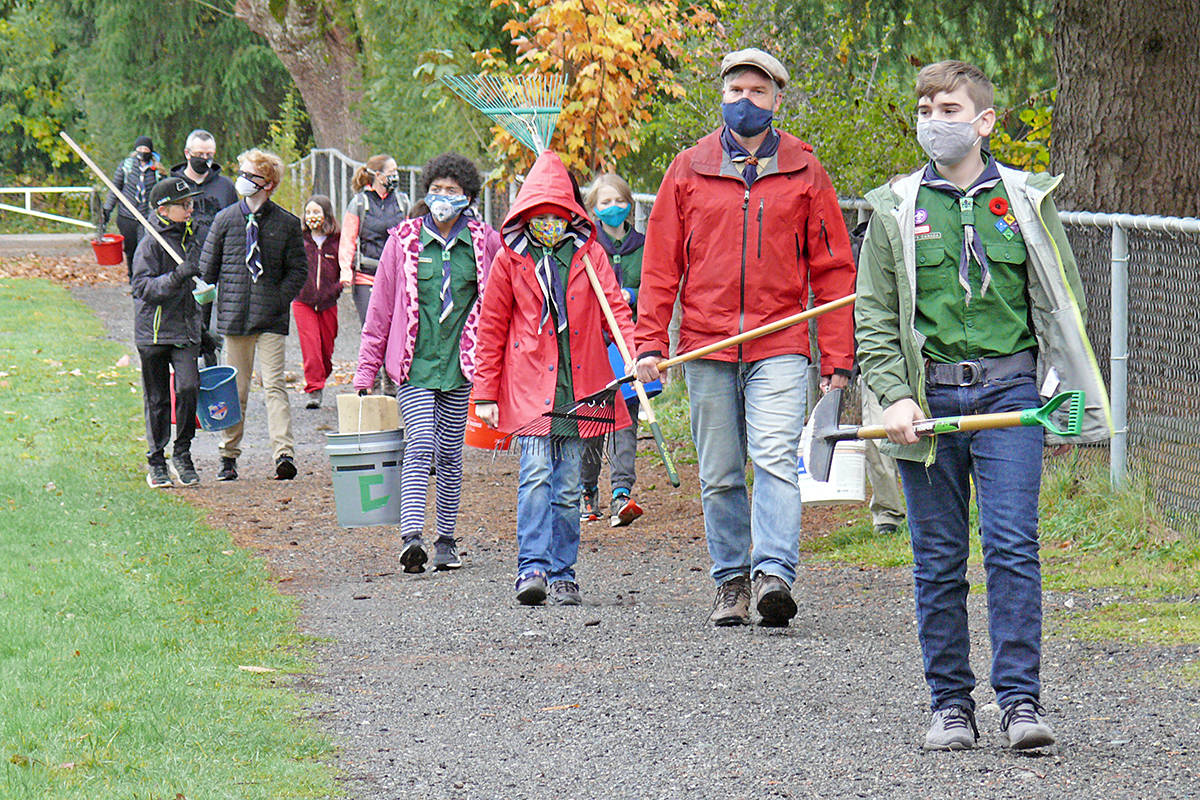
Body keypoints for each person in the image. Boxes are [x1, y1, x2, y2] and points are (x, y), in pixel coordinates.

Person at [854, 60, 1111, 751]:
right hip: (928, 403)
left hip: (1011, 396)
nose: (936, 120)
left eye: (949, 108)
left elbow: (1064, 304)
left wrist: (1064, 397)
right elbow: (875, 318)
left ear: (984, 120)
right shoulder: (893, 208)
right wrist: (897, 396)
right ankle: (949, 706)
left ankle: (1020, 704)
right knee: (937, 559)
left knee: (1011, 548)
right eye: (926, 108)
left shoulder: (1027, 199)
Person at [635, 48, 857, 628]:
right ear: (722, 96)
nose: (745, 101)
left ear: (777, 99)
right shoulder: (688, 168)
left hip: (779, 342)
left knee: (776, 458)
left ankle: (774, 575)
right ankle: (730, 580)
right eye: (735, 90)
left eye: (758, 92)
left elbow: (834, 272)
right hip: (705, 345)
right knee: (720, 471)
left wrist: (837, 356)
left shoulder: (806, 172)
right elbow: (660, 265)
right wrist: (650, 344)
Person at [473, 150, 636, 607]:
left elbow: (615, 312)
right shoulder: (510, 261)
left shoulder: (590, 256)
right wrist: (486, 392)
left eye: (556, 214)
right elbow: (492, 328)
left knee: (567, 487)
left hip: (581, 387)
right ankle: (532, 568)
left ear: (570, 213)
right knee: (535, 475)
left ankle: (564, 571)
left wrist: (636, 353)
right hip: (530, 389)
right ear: (526, 215)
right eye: (538, 214)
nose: (548, 223)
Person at [355, 153, 500, 573]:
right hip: (414, 364)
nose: (442, 198)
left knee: (451, 453)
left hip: (460, 366)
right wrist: (366, 370)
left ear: (468, 198)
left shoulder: (484, 241)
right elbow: (380, 309)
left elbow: (501, 304)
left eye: (451, 192)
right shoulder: (402, 239)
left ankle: (446, 540)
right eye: (436, 190)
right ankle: (412, 537)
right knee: (420, 444)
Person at [199, 148, 308, 482]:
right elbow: (208, 268)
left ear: (268, 184)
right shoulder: (225, 220)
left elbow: (298, 270)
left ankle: (283, 454)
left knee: (274, 385)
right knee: (237, 390)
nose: (242, 180)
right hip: (234, 319)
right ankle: (228, 454)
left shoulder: (287, 224)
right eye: (241, 174)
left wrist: (279, 298)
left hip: (271, 318)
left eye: (250, 176)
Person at [579, 173, 647, 528]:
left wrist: (632, 296)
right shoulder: (586, 248)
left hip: (629, 345)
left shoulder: (642, 246)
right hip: (595, 346)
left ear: (629, 204)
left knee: (626, 420)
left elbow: (654, 288)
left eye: (619, 201)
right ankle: (588, 490)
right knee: (592, 424)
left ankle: (622, 491)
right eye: (605, 203)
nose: (613, 208)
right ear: (593, 208)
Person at [130, 177, 204, 488]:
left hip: (185, 329)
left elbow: (197, 288)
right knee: (158, 397)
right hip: (154, 332)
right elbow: (142, 287)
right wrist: (176, 276)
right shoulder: (150, 242)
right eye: (184, 205)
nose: (190, 209)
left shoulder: (193, 237)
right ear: (164, 209)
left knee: (188, 388)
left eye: (191, 203)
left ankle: (182, 453)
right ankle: (156, 460)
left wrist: (203, 327)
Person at [295, 194, 342, 410]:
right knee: (310, 345)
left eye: (317, 212)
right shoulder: (299, 239)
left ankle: (322, 372)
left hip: (328, 301)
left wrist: (339, 287)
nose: (312, 216)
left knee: (326, 347)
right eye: (309, 212)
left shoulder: (337, 241)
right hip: (303, 300)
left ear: (326, 215)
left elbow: (346, 266)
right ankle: (314, 389)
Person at [103, 135, 164, 277]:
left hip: (146, 217)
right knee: (130, 249)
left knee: (144, 249)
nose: (142, 151)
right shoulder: (127, 167)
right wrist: (107, 209)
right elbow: (115, 189)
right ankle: (132, 276)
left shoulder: (157, 171)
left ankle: (142, 276)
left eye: (146, 148)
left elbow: (160, 194)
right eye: (140, 148)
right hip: (127, 215)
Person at [169, 129, 238, 243]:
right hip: (181, 252)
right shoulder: (172, 186)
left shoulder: (226, 186)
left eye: (209, 154)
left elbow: (235, 223)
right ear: (187, 153)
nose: (204, 158)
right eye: (199, 154)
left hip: (218, 252)